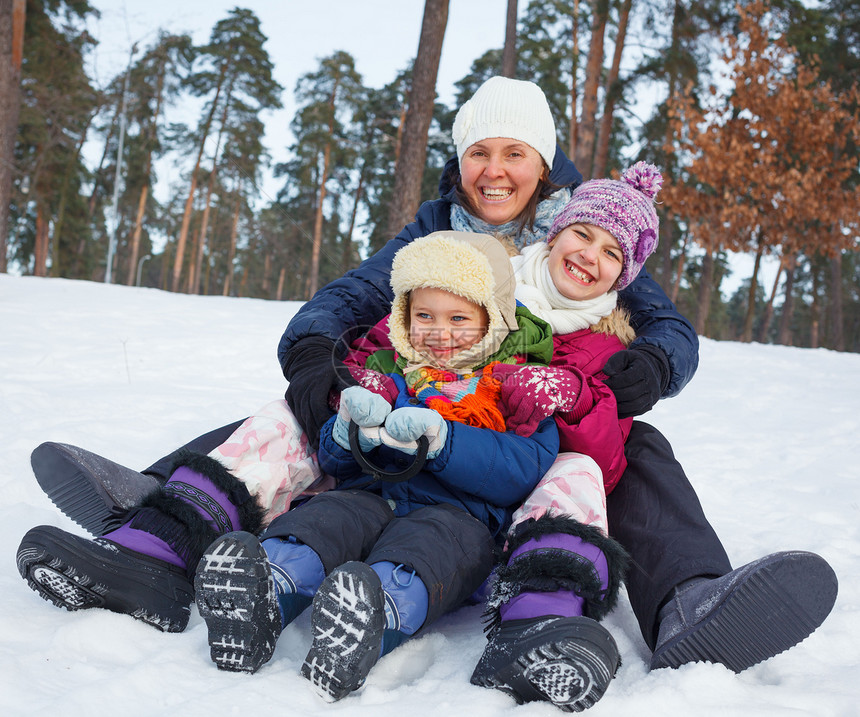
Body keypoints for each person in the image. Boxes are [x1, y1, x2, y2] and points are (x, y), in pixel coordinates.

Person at [21, 76, 836, 699]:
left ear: (544, 166)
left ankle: (686, 598)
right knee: (310, 407)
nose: (494, 168)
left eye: (514, 152)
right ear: (461, 159)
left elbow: (663, 323)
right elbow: (355, 296)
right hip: (423, 398)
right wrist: (315, 353)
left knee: (625, 451)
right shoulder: (437, 228)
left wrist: (651, 366)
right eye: (480, 150)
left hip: (537, 422)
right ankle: (161, 524)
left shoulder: (587, 228)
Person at [195, 231, 569, 702]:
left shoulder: (513, 391)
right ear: (403, 319)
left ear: (491, 321)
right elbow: (333, 463)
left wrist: (445, 440)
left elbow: (523, 468)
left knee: (425, 550)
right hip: (372, 494)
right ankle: (264, 592)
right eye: (424, 316)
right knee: (324, 519)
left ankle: (375, 617)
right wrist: (346, 430)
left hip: (460, 517)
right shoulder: (390, 378)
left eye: (459, 318)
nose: (440, 332)